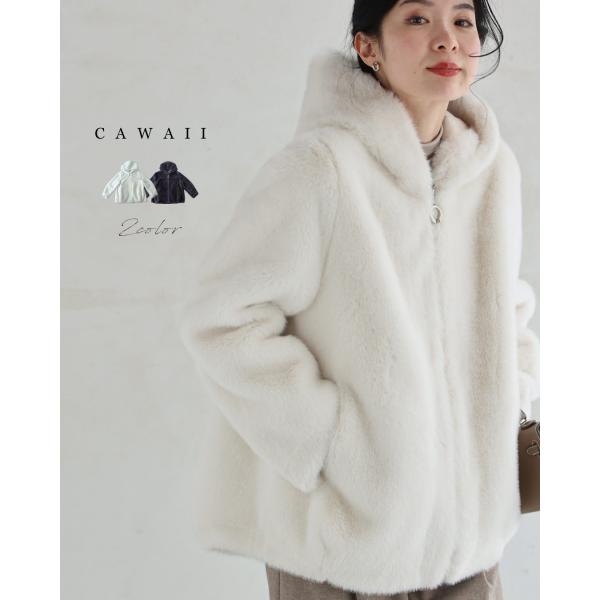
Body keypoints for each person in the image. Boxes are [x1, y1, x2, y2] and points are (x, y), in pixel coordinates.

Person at [176, 0, 540, 598]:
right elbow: (222, 320)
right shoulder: (319, 168)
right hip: (344, 545)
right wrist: (332, 443)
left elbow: (509, 305)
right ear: (368, 46)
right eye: (418, 19)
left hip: (472, 546)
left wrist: (513, 397)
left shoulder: (493, 169)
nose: (447, 39)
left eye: (462, 20)